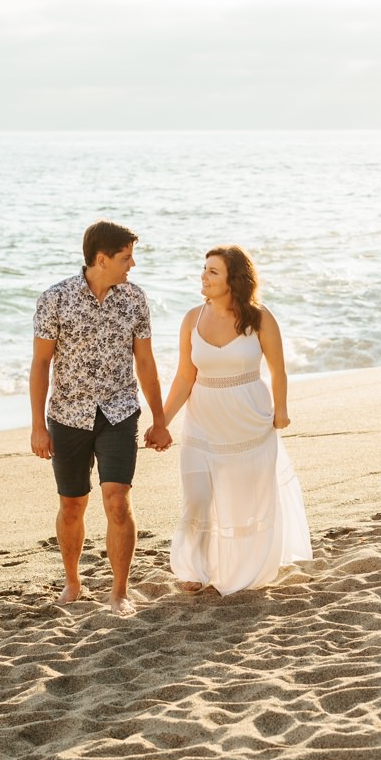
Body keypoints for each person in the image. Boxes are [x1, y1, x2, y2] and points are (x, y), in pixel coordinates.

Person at [30, 220, 170, 617]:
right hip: (68, 414)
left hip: (119, 411)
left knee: (117, 500)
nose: (133, 265)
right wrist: (38, 425)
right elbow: (41, 364)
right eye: (126, 258)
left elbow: (145, 361)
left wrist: (159, 420)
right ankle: (73, 581)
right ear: (101, 259)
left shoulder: (135, 299)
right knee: (72, 504)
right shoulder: (54, 299)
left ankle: (119, 591)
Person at [158, 246, 313, 594]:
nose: (204, 276)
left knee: (246, 498)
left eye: (213, 271)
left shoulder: (259, 319)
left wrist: (281, 409)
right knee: (197, 497)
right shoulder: (191, 319)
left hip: (249, 423)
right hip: (202, 423)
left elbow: (278, 369)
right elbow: (184, 377)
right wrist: (162, 422)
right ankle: (193, 570)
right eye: (204, 269)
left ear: (234, 280)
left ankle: (243, 569)